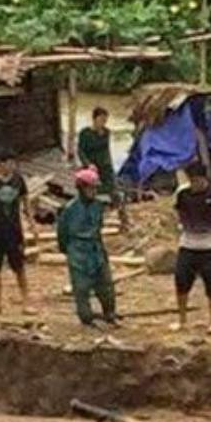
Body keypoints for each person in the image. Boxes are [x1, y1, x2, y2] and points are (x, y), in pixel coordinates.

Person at [56, 166, 118, 327]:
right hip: (78, 251)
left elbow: (98, 229)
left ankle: (110, 313)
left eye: (95, 188)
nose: (93, 191)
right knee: (81, 288)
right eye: (90, 188)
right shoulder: (69, 210)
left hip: (95, 249)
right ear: (81, 188)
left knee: (106, 284)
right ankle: (87, 318)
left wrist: (102, 251)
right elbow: (62, 234)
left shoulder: (98, 206)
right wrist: (69, 251)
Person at [172, 161, 211, 334]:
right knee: (181, 281)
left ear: (204, 179)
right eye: (192, 180)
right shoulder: (183, 195)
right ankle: (182, 321)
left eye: (198, 180)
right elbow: (178, 212)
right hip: (188, 245)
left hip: (209, 245)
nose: (195, 184)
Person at [0, 154, 38, 315]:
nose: (10, 166)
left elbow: (26, 204)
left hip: (14, 229)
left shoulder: (18, 181)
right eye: (7, 163)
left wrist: (32, 225)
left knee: (19, 267)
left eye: (12, 163)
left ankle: (26, 302)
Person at [77, 106, 128, 230]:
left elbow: (106, 151)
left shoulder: (106, 132)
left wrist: (109, 166)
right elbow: (80, 151)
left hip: (106, 167)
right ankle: (87, 221)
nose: (103, 123)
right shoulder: (85, 133)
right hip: (91, 170)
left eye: (105, 120)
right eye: (101, 120)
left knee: (115, 192)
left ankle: (124, 219)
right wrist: (88, 164)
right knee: (89, 195)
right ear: (94, 119)